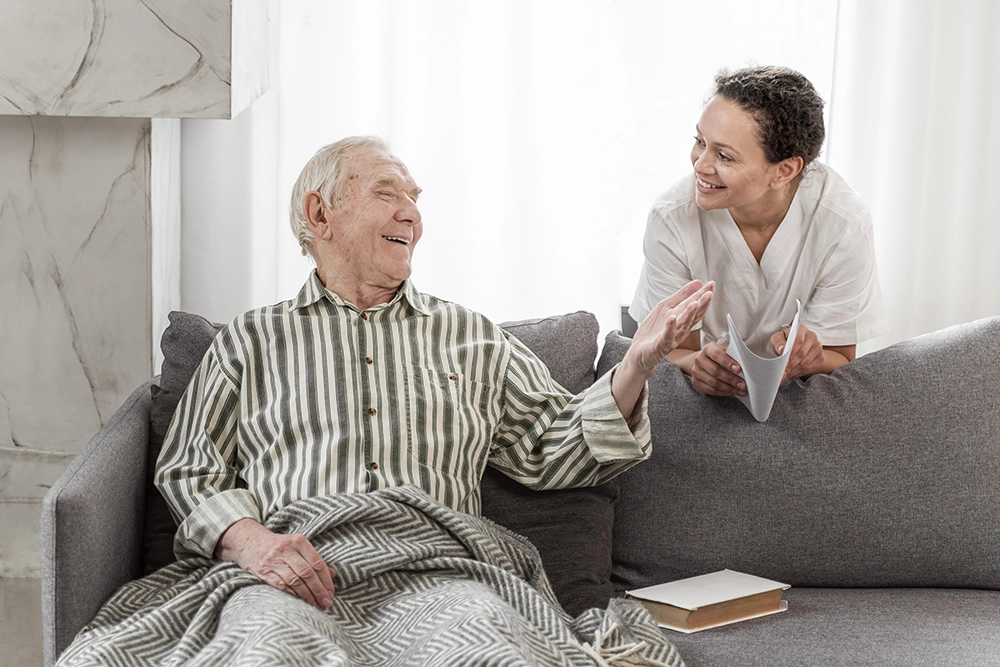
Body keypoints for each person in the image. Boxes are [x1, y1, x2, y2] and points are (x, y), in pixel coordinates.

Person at [156, 135, 715, 612]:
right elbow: (188, 469)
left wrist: (636, 366)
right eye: (386, 192)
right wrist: (253, 544)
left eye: (415, 199)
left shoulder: (470, 336)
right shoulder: (249, 341)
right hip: (298, 577)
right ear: (319, 214)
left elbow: (555, 446)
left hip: (443, 577)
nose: (412, 214)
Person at [630, 65, 888, 398]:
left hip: (798, 399)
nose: (700, 165)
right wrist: (697, 363)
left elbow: (841, 359)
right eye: (700, 141)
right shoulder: (672, 217)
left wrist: (812, 357)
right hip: (702, 400)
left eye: (723, 155)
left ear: (785, 170)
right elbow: (667, 351)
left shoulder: (843, 223)